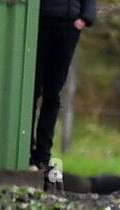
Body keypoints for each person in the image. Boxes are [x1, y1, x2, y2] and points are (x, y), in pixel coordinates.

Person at [30, 0, 95, 173]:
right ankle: (27, 153)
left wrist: (84, 18)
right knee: (31, 91)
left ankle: (42, 156)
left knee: (52, 94)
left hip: (68, 26)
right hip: (39, 22)